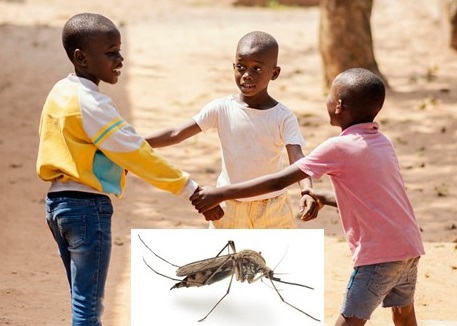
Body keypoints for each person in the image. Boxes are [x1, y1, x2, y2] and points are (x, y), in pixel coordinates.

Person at [191, 68, 425, 326]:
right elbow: (378, 198)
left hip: (377, 256)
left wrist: (220, 193)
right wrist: (322, 197)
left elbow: (279, 180)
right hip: (409, 246)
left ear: (338, 105)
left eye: (329, 94)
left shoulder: (337, 147)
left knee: (349, 321)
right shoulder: (383, 142)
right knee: (403, 315)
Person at [36, 13, 222, 326]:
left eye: (119, 50)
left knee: (81, 296)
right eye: (110, 53)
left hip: (57, 206)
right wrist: (190, 188)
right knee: (88, 308)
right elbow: (136, 154)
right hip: (86, 209)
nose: (120, 58)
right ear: (82, 57)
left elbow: (110, 145)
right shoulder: (92, 103)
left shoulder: (60, 93)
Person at [146, 31, 318, 228]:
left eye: (257, 69)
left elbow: (297, 158)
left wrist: (307, 191)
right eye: (241, 67)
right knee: (224, 257)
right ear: (233, 67)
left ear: (275, 73)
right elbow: (176, 134)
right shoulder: (221, 108)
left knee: (277, 256)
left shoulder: (282, 116)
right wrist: (133, 145)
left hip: (273, 207)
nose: (246, 75)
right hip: (227, 207)